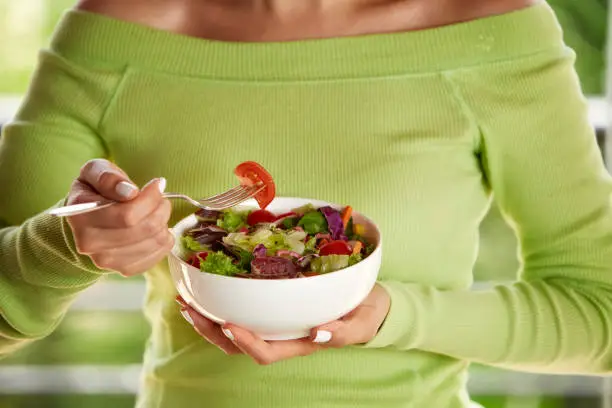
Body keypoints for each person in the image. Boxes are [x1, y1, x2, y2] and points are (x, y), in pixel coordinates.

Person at [1, 0, 611, 407]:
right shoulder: (112, 33)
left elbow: (601, 316)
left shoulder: (492, 32)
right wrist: (60, 247)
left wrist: (392, 317)